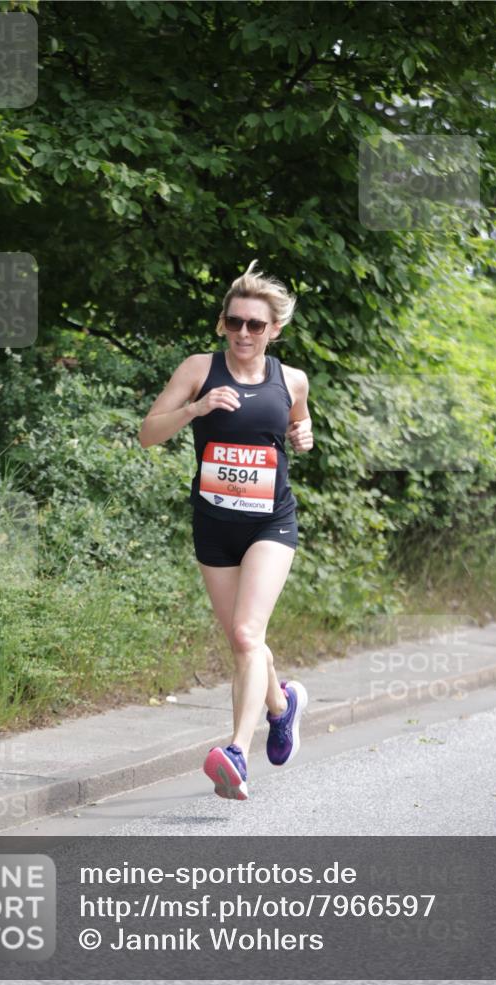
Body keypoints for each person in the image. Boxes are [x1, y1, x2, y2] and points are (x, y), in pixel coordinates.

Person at [139, 260, 314, 800]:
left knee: (245, 634)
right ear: (223, 324)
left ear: (273, 331)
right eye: (235, 322)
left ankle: (237, 750)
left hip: (270, 522)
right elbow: (148, 434)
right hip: (214, 526)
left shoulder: (291, 379)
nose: (243, 333)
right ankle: (282, 707)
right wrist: (196, 408)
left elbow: (296, 428)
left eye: (255, 325)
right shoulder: (198, 369)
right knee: (246, 638)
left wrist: (304, 438)